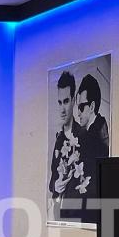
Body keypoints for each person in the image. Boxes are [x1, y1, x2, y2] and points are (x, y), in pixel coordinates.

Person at [46, 70, 80, 209]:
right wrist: (56, 185)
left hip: (78, 213)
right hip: (58, 213)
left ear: (73, 100)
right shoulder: (58, 140)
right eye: (59, 103)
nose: (62, 109)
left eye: (66, 101)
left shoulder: (83, 136)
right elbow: (52, 181)